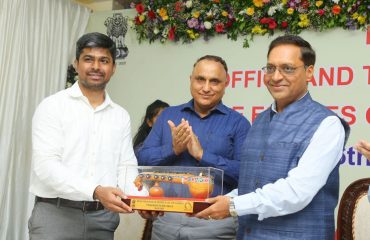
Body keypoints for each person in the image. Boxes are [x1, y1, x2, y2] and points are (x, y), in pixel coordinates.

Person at [195, 35, 350, 239]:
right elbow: (253, 185)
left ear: (309, 72)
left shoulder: (327, 124)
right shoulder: (259, 120)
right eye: (270, 68)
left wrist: (233, 205)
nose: (275, 77)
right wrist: (222, 200)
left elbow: (297, 192)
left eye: (287, 68)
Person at [28, 32, 137, 240]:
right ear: (76, 64)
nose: (96, 66)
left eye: (104, 60)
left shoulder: (120, 115)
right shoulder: (53, 106)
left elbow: (126, 166)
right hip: (56, 215)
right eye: (88, 59)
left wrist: (140, 200)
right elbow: (46, 166)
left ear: (113, 68)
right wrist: (95, 191)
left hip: (104, 218)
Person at [137, 55, 251, 240]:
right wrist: (173, 149)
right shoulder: (169, 115)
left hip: (215, 222)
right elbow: (143, 159)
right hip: (167, 220)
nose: (206, 88)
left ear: (226, 84)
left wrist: (202, 155)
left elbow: (245, 175)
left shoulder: (239, 124)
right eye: (200, 79)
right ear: (191, 80)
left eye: (214, 81)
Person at [132, 99, 169, 240]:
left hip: (168, 204)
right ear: (149, 122)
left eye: (168, 117)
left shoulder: (176, 145)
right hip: (147, 203)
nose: (165, 122)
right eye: (160, 117)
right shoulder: (142, 149)